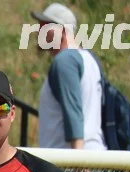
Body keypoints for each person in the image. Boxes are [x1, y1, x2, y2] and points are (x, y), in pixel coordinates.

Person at [32, 2, 105, 152]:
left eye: (45, 25)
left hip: (70, 161)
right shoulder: (90, 59)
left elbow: (73, 111)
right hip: (93, 154)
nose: (39, 31)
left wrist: (78, 159)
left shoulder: (65, 61)